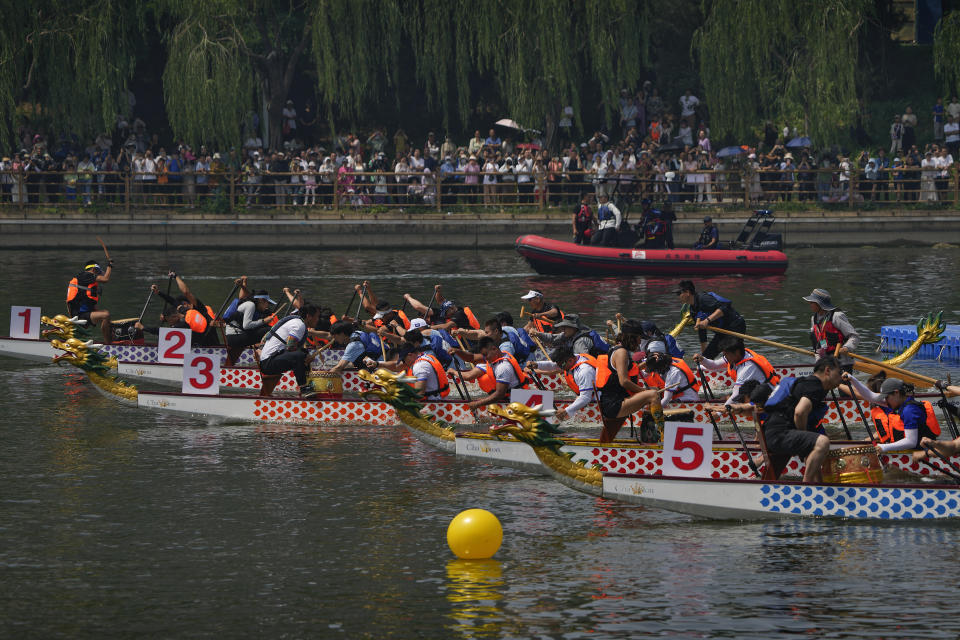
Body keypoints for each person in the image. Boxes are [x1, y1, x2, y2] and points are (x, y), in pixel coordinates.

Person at [760, 355, 843, 483]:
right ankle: (806, 488)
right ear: (827, 371)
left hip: (773, 432)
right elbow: (800, 412)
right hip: (779, 434)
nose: (841, 377)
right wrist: (804, 437)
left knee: (815, 445)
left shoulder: (809, 383)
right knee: (823, 442)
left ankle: (819, 487)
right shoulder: (815, 386)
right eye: (839, 372)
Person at [596, 320, 660, 442]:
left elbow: (629, 370)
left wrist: (646, 363)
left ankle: (602, 449)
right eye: (640, 338)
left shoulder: (617, 349)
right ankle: (658, 436)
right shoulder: (622, 352)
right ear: (632, 338)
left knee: (606, 441)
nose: (640, 341)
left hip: (614, 401)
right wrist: (644, 391)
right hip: (614, 403)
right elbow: (624, 381)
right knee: (653, 394)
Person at [844, 375, 940, 451]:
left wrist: (884, 447)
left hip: (922, 454)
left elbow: (911, 441)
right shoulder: (899, 402)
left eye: (886, 397)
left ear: (896, 393)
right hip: (909, 452)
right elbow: (870, 396)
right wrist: (852, 379)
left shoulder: (910, 410)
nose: (885, 401)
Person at [695, 337, 779, 414]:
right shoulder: (738, 355)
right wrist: (702, 360)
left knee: (728, 398)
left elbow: (736, 394)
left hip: (767, 400)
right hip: (758, 392)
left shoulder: (747, 367)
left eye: (726, 354)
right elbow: (714, 365)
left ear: (737, 352)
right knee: (726, 398)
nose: (725, 357)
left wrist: (719, 413)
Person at [258, 303, 322, 398]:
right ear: (308, 316)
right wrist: (306, 357)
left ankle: (308, 384)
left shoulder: (296, 321)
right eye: (317, 317)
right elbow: (290, 347)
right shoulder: (299, 325)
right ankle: (304, 388)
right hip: (268, 363)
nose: (318, 320)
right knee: (300, 356)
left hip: (271, 359)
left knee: (303, 353)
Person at [449, 336, 529, 411]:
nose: (485, 358)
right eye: (483, 355)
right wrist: (457, 351)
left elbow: (499, 394)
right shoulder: (498, 354)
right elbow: (472, 358)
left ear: (494, 349)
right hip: (513, 398)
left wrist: (477, 404)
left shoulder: (503, 367)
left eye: (485, 355)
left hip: (520, 403)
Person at [675, 280, 746, 358]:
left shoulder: (703, 298)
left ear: (687, 292)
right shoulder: (693, 310)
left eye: (679, 293)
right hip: (722, 331)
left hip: (735, 326)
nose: (678, 296)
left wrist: (707, 320)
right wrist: (703, 358)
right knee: (707, 357)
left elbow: (725, 307)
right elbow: (702, 332)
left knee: (733, 354)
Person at [147, 272, 219, 347]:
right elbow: (172, 301)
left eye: (184, 305)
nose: (181, 307)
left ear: (189, 303)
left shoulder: (201, 308)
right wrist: (158, 292)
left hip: (212, 346)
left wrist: (176, 277)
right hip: (196, 347)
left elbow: (186, 292)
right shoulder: (185, 311)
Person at [526, 346, 596, 421]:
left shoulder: (584, 371)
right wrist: (537, 364)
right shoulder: (575, 357)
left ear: (570, 360)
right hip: (588, 393)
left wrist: (566, 411)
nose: (560, 368)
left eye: (561, 366)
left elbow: (585, 397)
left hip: (598, 400)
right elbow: (553, 365)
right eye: (559, 365)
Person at [803, 288, 858, 372]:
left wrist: (846, 348)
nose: (809, 304)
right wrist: (819, 362)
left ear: (819, 304)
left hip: (842, 364)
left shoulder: (837, 316)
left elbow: (854, 337)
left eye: (812, 302)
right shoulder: (814, 319)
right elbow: (821, 341)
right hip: (827, 364)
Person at [224, 278, 276, 366]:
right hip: (234, 337)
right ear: (261, 300)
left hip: (235, 335)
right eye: (268, 303)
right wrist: (263, 321)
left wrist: (243, 284)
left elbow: (243, 294)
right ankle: (265, 358)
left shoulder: (250, 304)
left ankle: (263, 355)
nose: (267, 307)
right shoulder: (250, 305)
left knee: (265, 329)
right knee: (269, 330)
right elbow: (246, 326)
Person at [66, 258, 114, 342]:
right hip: (79, 314)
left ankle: (111, 342)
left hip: (84, 314)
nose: (98, 275)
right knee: (106, 315)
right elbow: (106, 279)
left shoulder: (87, 284)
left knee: (106, 317)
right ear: (93, 269)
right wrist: (110, 265)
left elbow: (93, 306)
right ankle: (109, 345)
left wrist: (108, 324)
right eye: (98, 272)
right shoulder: (85, 275)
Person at [399, 330, 450, 401]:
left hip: (434, 405)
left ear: (410, 355)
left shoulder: (419, 366)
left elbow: (419, 394)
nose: (404, 362)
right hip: (440, 401)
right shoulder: (426, 356)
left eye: (404, 359)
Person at [529, 315, 602, 357]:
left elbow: (584, 362)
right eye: (562, 327)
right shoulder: (568, 334)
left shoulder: (580, 342)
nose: (562, 330)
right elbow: (552, 338)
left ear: (574, 328)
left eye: (565, 327)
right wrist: (537, 333)